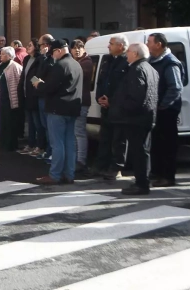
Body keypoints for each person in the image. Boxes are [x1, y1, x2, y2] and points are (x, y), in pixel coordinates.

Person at [110, 43, 159, 195]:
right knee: (143, 151)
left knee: (139, 152)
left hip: (136, 118)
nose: (126, 55)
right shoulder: (150, 69)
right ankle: (142, 181)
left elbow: (136, 97)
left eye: (129, 52)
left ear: (135, 54)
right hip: (147, 116)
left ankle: (141, 184)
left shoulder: (137, 70)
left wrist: (122, 108)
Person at [34, 39, 83, 185]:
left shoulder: (60, 65)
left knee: (57, 143)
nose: (52, 55)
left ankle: (55, 175)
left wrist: (38, 84)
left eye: (53, 52)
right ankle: (69, 174)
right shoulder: (76, 64)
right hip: (72, 108)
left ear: (59, 50)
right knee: (69, 143)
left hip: (57, 109)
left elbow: (49, 87)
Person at [147, 33, 184, 187]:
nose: (147, 45)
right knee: (156, 144)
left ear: (159, 44)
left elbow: (175, 88)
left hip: (167, 111)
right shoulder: (152, 61)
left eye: (149, 42)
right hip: (156, 110)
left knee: (167, 145)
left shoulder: (170, 62)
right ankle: (157, 173)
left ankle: (168, 177)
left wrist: (162, 105)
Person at [94, 35, 130, 180]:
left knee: (119, 140)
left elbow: (125, 87)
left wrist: (112, 101)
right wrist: (99, 97)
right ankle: (101, 166)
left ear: (120, 46)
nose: (108, 46)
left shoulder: (127, 62)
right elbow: (101, 81)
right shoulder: (108, 60)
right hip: (105, 107)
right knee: (105, 138)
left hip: (119, 108)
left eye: (111, 43)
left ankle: (116, 168)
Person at [71, 39, 94, 173]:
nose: (77, 50)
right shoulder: (75, 62)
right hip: (73, 101)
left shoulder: (86, 62)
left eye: (80, 47)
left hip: (82, 102)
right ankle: (75, 159)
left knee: (79, 132)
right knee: (74, 132)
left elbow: (74, 76)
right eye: (74, 48)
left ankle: (81, 161)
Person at [0, 46, 22, 152]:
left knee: (10, 122)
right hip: (0, 99)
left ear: (9, 56)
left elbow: (20, 82)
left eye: (3, 54)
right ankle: (2, 143)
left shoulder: (15, 66)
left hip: (10, 99)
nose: (0, 55)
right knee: (2, 121)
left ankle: (11, 145)